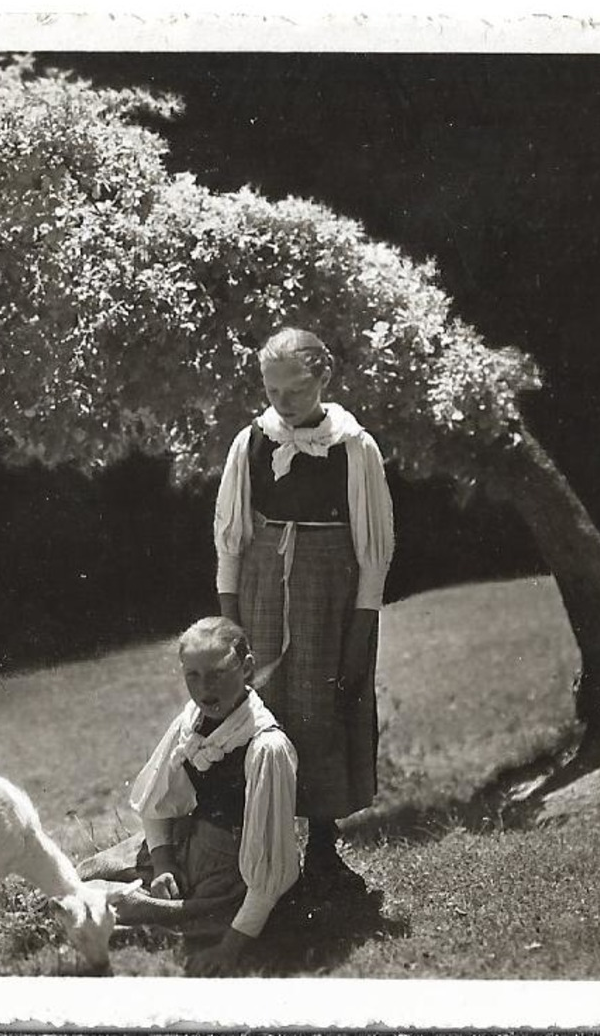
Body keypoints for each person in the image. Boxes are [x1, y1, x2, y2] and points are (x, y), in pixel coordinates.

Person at [213, 326, 394, 899]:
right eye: (271, 390)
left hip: (328, 595)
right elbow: (231, 540)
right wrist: (229, 625)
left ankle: (322, 847)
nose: (280, 404)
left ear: (323, 380)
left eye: (292, 391)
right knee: (259, 714)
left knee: (322, 706)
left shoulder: (353, 447)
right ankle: (254, 853)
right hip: (262, 590)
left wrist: (361, 628)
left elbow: (374, 551)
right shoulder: (251, 442)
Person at [79, 616, 301, 977]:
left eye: (217, 673)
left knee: (113, 908)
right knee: (82, 879)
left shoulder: (266, 747)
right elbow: (158, 797)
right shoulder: (192, 722)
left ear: (246, 669)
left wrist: (228, 950)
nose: (204, 688)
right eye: (193, 676)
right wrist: (164, 863)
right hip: (188, 843)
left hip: (233, 871)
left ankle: (187, 913)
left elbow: (271, 869)